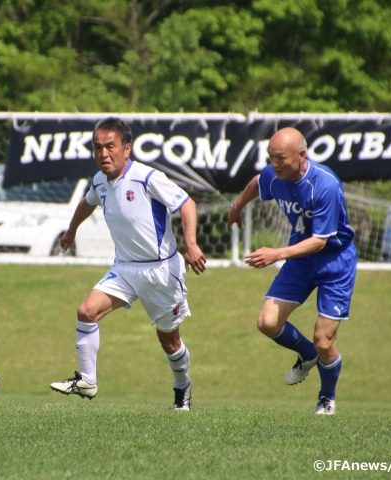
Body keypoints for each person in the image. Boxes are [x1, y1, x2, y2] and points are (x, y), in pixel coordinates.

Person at [49, 117, 207, 410]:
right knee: (86, 311)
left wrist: (192, 245)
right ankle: (87, 380)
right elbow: (87, 202)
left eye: (110, 147)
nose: (103, 154)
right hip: (124, 268)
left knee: (169, 342)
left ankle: (183, 385)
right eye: (98, 148)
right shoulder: (99, 181)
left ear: (127, 149)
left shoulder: (147, 177)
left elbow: (187, 203)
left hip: (161, 273)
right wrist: (71, 230)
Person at [227, 127, 357, 415]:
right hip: (300, 260)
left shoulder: (324, 184)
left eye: (281, 158)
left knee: (325, 341)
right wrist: (236, 207)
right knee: (267, 323)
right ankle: (306, 354)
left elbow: (320, 241)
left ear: (302, 155)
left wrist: (276, 254)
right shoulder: (275, 174)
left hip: (334, 262)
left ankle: (326, 398)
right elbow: (257, 181)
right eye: (271, 157)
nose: (274, 164)